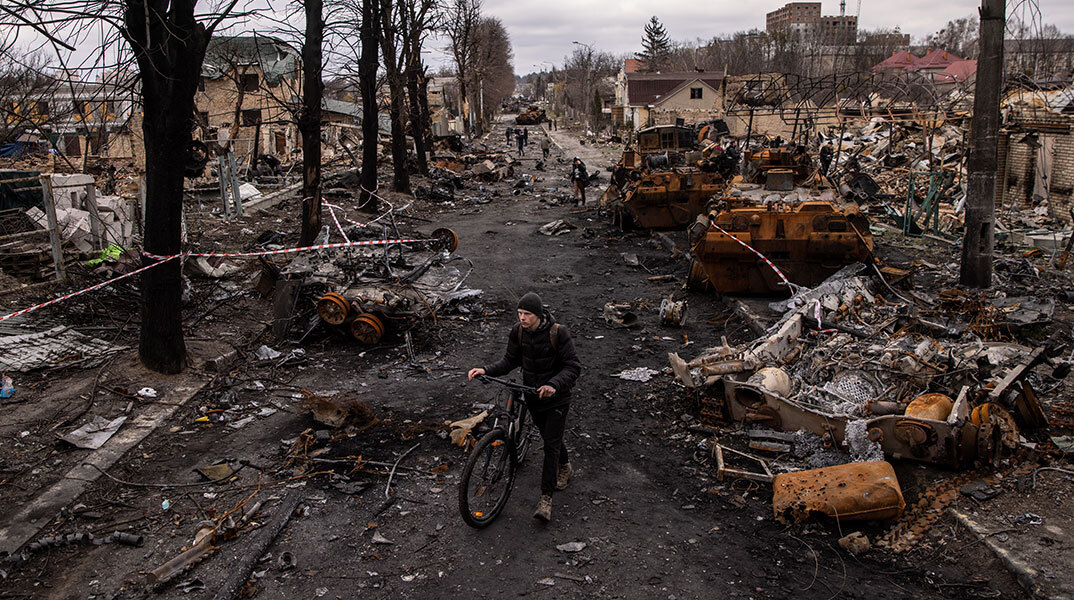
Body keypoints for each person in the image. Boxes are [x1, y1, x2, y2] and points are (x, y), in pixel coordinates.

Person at [468, 292, 581, 522]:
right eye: (519, 313)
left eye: (527, 314)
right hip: (533, 396)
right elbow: (509, 361)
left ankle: (546, 499)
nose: (522, 318)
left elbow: (573, 367)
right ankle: (565, 465)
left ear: (538, 315)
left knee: (550, 445)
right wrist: (486, 370)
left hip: (557, 398)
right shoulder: (518, 332)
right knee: (551, 437)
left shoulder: (558, 333)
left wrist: (553, 384)